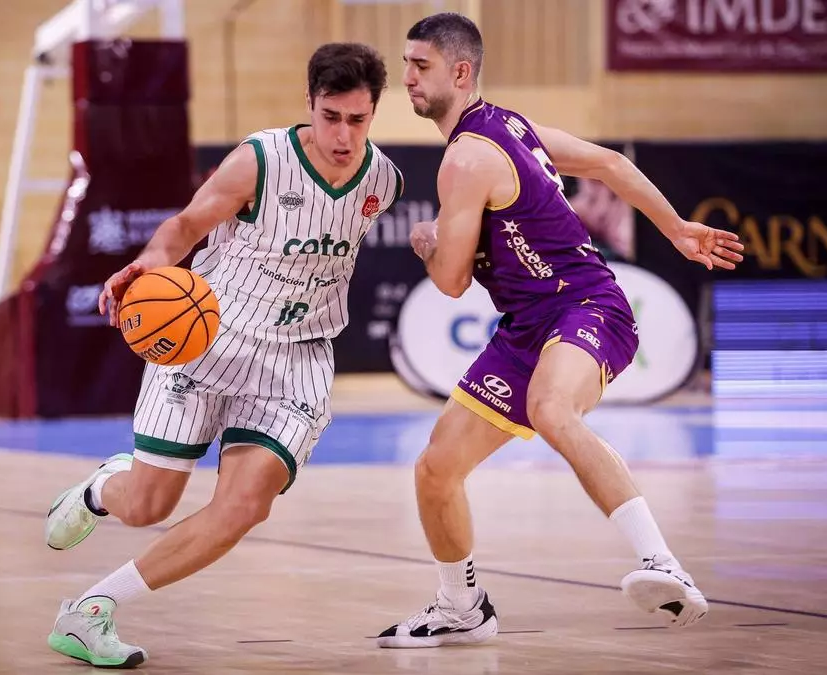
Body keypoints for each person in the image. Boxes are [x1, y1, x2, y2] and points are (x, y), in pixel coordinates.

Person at [377, 13, 744, 648]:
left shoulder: (466, 158)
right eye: (406, 64)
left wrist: (428, 240)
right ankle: (462, 608)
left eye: (420, 65)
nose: (406, 77)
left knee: (551, 408)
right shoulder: (511, 125)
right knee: (436, 468)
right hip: (528, 325)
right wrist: (677, 228)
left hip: (586, 306)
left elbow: (451, 282)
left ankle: (662, 562)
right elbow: (607, 163)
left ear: (460, 73)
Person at [43, 42, 403, 668]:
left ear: (374, 112)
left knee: (243, 507)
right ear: (309, 103)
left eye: (358, 119)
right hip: (207, 337)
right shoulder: (260, 161)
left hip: (297, 360)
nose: (344, 136)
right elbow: (186, 226)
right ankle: (103, 488)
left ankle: (91, 609)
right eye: (331, 117)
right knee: (148, 506)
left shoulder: (384, 181)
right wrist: (152, 263)